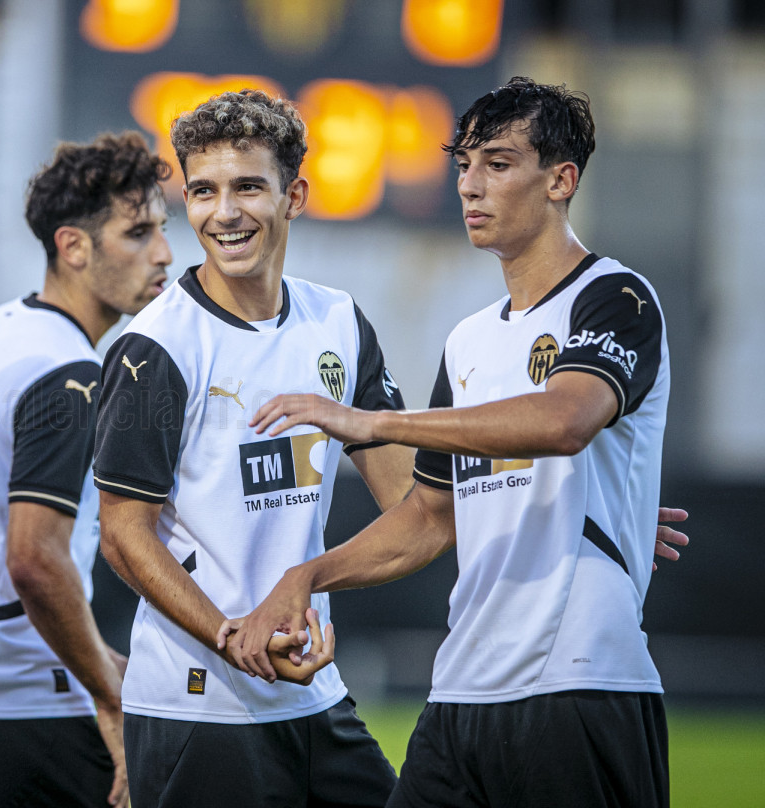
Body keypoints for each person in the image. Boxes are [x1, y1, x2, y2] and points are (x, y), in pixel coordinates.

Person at [235, 77, 674, 807]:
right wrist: (307, 576)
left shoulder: (615, 296)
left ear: (561, 180)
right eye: (464, 165)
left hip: (581, 685)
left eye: (498, 164)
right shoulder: (469, 339)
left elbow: (565, 421)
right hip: (462, 694)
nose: (470, 185)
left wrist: (374, 422)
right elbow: (430, 517)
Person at [91, 90, 414, 807]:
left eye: (247, 187)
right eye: (203, 191)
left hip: (313, 694)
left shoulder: (338, 321)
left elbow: (414, 505)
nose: (224, 213)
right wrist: (233, 635)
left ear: (293, 196)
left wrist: (553, 509)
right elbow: (122, 535)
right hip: (198, 705)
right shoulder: (155, 346)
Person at [0, 131, 172, 808]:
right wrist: (109, 690)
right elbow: (34, 559)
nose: (164, 252)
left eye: (162, 229)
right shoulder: (65, 369)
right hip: (16, 699)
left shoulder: (3, 327)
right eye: (138, 233)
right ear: (73, 247)